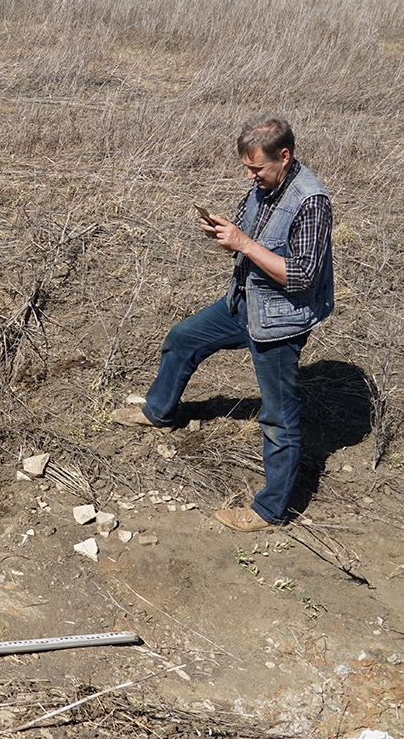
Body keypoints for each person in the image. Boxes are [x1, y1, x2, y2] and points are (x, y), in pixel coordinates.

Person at [113, 115, 333, 532]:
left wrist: (243, 243)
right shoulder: (262, 185)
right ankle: (159, 411)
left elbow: (302, 277)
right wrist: (225, 234)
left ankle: (270, 511)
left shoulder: (311, 201)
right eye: (247, 168)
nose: (251, 176)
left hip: (281, 320)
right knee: (183, 338)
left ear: (284, 156)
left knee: (279, 417)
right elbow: (248, 235)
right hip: (243, 302)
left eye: (258, 169)